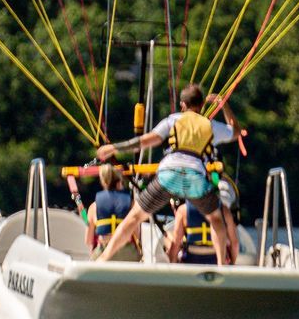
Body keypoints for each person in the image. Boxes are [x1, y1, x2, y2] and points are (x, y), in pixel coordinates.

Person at [94, 83, 237, 266]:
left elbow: (144, 141)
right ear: (201, 106)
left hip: (169, 175)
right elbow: (236, 131)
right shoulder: (209, 125)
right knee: (216, 220)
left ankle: (103, 259)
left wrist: (114, 147)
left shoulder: (172, 120)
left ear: (182, 105)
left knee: (134, 218)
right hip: (194, 178)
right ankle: (220, 266)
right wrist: (223, 104)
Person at [85, 164, 135, 255]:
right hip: (126, 252)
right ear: (119, 182)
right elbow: (137, 235)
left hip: (104, 251)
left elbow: (88, 240)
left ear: (103, 182)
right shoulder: (131, 203)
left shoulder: (93, 207)